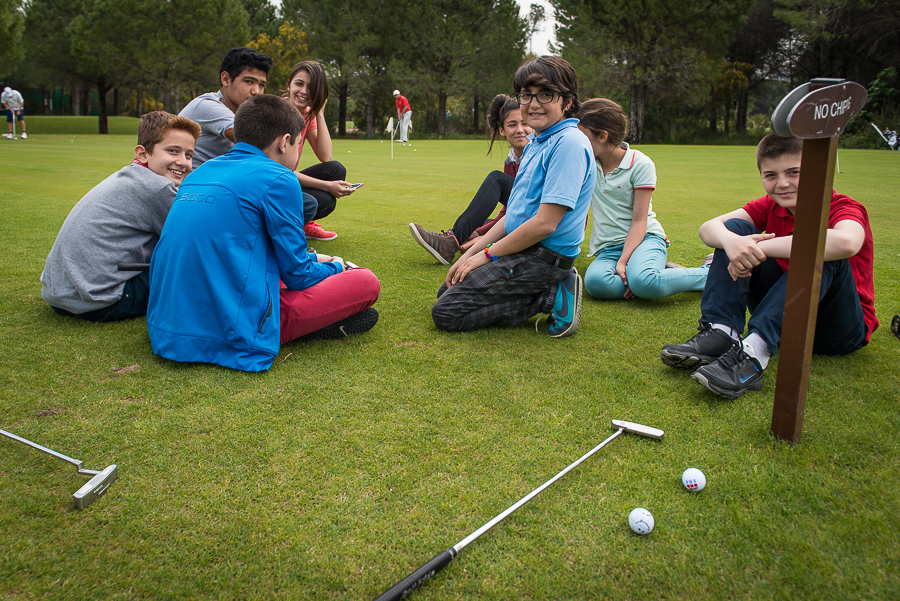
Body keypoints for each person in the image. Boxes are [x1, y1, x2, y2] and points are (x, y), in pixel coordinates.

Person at [147, 95, 381, 373]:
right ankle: (309, 325)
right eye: (297, 144)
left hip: (166, 328)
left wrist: (315, 258)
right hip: (232, 329)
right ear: (284, 142)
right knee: (365, 282)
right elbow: (298, 274)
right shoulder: (279, 178)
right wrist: (335, 268)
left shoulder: (203, 170)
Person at [660, 133, 877, 399]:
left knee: (821, 249)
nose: (782, 184)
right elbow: (708, 228)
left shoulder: (843, 206)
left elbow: (847, 242)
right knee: (734, 229)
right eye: (771, 175)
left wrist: (755, 248)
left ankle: (754, 355)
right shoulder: (770, 205)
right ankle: (723, 332)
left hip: (838, 328)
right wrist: (732, 241)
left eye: (794, 172)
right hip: (785, 318)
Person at [430, 56, 596, 338]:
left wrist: (486, 256)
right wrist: (471, 254)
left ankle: (551, 294)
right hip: (522, 249)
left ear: (567, 101)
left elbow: (545, 224)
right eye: (525, 95)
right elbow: (514, 215)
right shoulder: (537, 142)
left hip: (544, 260)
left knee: (447, 312)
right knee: (445, 290)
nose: (533, 103)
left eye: (545, 94)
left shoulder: (569, 143)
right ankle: (538, 291)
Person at [40, 112, 200, 321]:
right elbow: (192, 239)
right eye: (173, 151)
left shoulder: (130, 175)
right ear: (142, 154)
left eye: (189, 155)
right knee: (191, 270)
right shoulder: (157, 188)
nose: (183, 162)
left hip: (60, 296)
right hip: (100, 300)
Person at [576, 98, 709, 300]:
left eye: (582, 135)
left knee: (645, 282)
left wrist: (622, 262)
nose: (578, 142)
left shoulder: (640, 163)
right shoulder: (586, 164)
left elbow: (640, 221)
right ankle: (646, 276)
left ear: (602, 136)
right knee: (596, 283)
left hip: (644, 239)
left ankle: (708, 273)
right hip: (609, 248)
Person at [409, 93, 532, 265]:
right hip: (523, 213)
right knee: (483, 222)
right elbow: (509, 209)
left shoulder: (539, 155)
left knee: (496, 179)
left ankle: (450, 242)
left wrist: (482, 236)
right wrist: (479, 233)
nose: (519, 129)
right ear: (502, 131)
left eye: (525, 123)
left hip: (540, 216)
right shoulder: (511, 161)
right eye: (512, 124)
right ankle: (458, 237)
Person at [284, 61, 360, 242]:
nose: (303, 91)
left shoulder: (307, 114)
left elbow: (325, 155)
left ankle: (304, 224)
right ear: (289, 85)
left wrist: (319, 112)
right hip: (274, 180)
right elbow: (280, 171)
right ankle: (293, 227)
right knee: (324, 201)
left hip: (287, 176)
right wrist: (327, 186)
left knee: (335, 169)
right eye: (299, 84)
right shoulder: (279, 113)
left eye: (311, 88)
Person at [179, 47, 272, 169]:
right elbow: (255, 141)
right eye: (249, 82)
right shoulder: (207, 105)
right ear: (226, 79)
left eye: (261, 85)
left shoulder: (242, 114)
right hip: (188, 185)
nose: (257, 92)